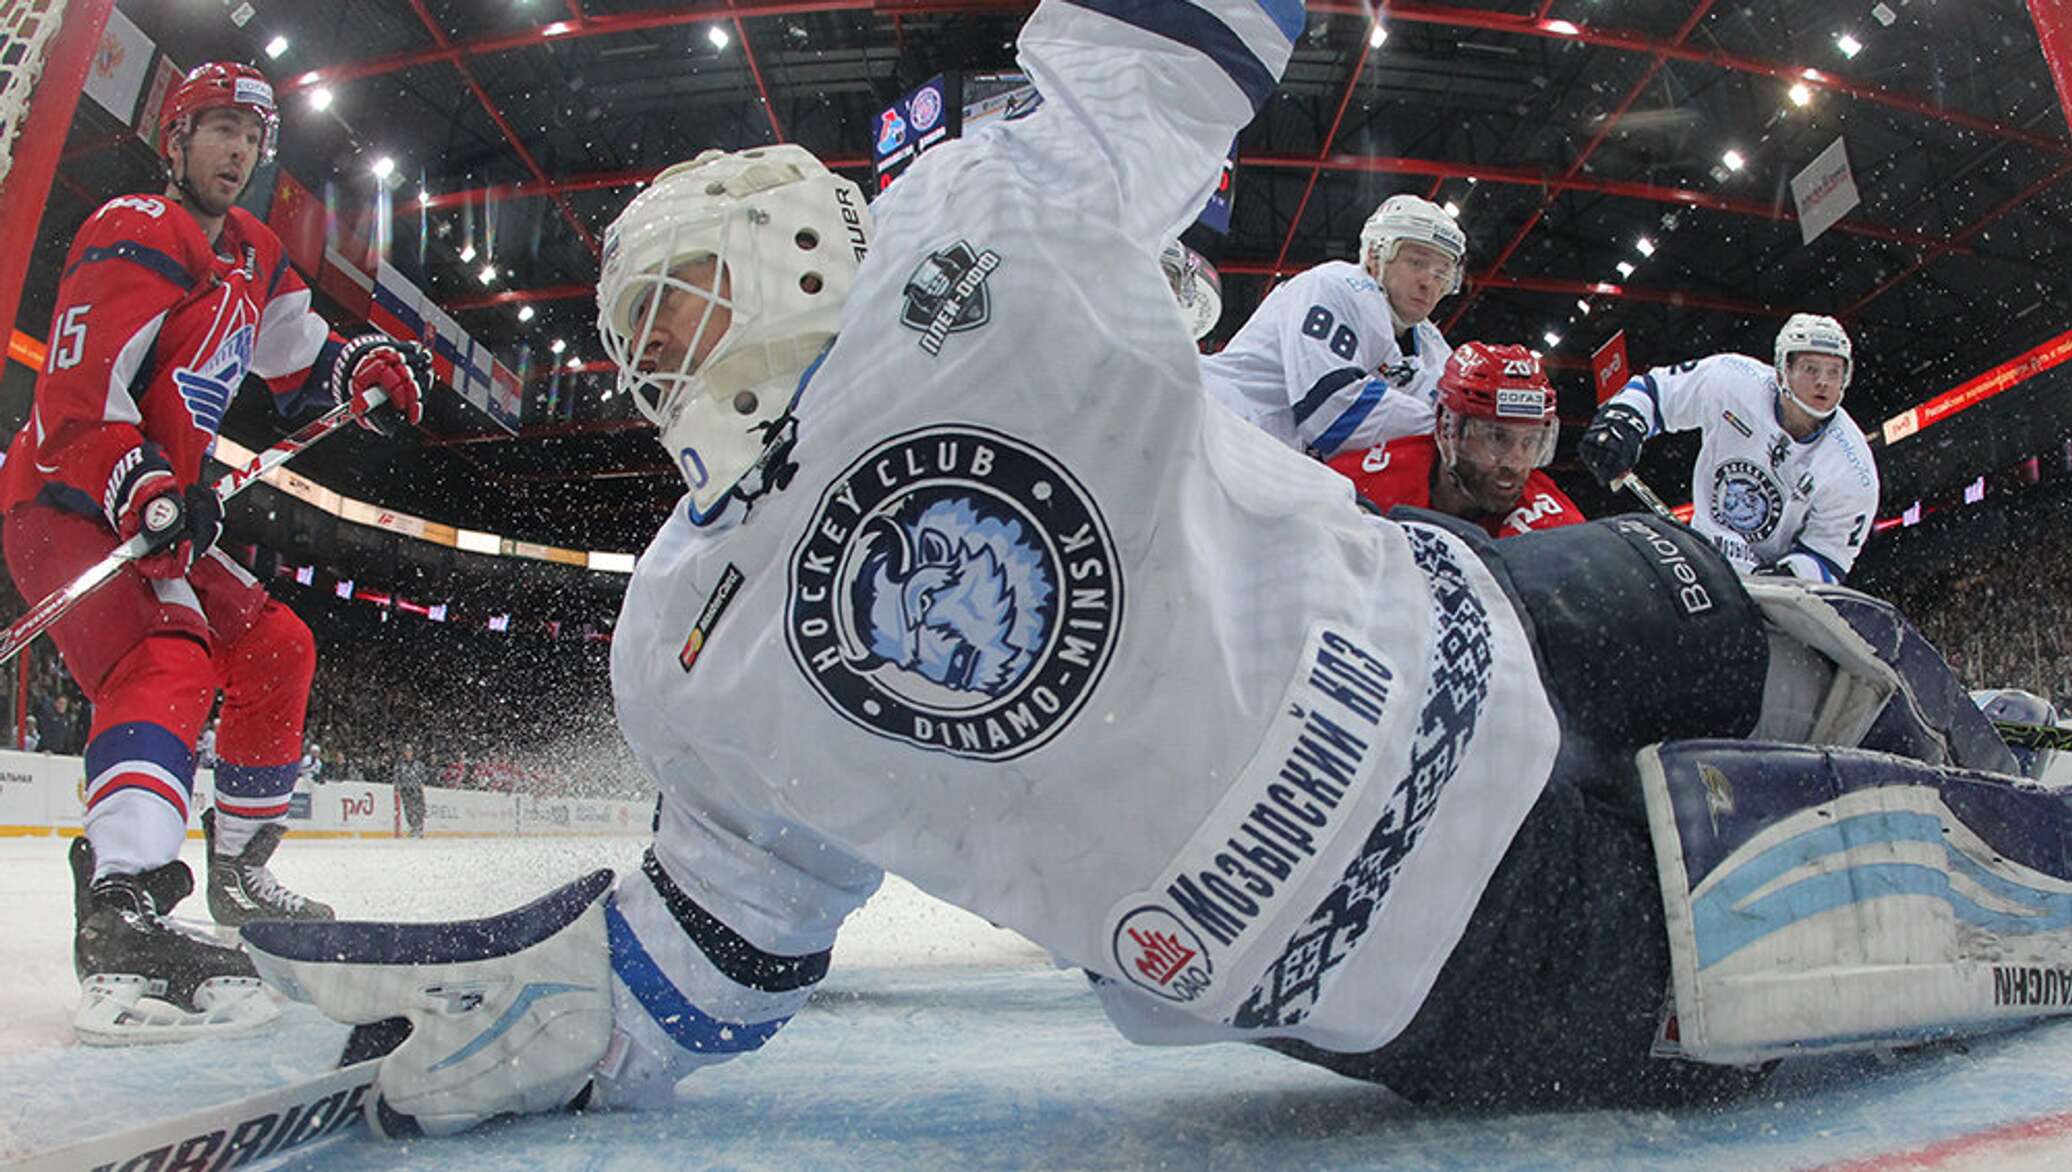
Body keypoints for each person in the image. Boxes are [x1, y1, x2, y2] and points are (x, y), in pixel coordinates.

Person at [242, 1, 2066, 1136]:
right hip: (1468, 882)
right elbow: (1193, 30)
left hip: (1455, 807)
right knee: (1913, 851)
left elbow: (708, 962)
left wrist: (590, 1004)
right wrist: (603, 988)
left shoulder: (682, 637)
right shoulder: (969, 223)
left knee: (1846, 690)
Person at [0, 61, 427, 1042]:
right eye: (219, 129)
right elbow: (75, 402)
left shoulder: (257, 252)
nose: (238, 150)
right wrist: (143, 485)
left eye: (252, 134)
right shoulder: (136, 229)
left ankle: (236, 872)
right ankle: (124, 908)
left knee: (276, 643)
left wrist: (353, 367)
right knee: (164, 657)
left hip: (158, 511)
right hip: (70, 495)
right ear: (177, 137)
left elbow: (293, 361)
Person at [1575, 314, 1880, 583]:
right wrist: (1621, 424)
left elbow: (1828, 557)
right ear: (1782, 370)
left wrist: (1787, 579)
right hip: (1695, 556)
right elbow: (1656, 393)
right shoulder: (1732, 380)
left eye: (1833, 372)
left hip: (1768, 595)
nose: (1823, 383)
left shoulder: (1854, 469)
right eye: (1811, 369)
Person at [1198, 192, 1462, 459]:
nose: (1429, 282)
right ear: (1374, 254)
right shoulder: (1333, 285)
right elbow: (1332, 412)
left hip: (1269, 464)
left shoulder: (1433, 347)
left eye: (1442, 272)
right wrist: (1450, 434)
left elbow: (1459, 425)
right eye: (1417, 262)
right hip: (1209, 430)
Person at [1325, 341, 1583, 538]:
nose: (1515, 462)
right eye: (1497, 437)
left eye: (1530, 442)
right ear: (1449, 430)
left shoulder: (1551, 524)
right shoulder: (1358, 485)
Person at [392, 741, 430, 838]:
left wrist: (422, 783)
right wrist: (397, 788)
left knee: (419, 809)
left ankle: (419, 828)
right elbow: (397, 777)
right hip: (405, 790)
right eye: (406, 751)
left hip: (416, 790)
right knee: (409, 810)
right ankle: (413, 827)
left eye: (410, 751)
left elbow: (424, 776)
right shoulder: (400, 765)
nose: (408, 753)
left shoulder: (419, 765)